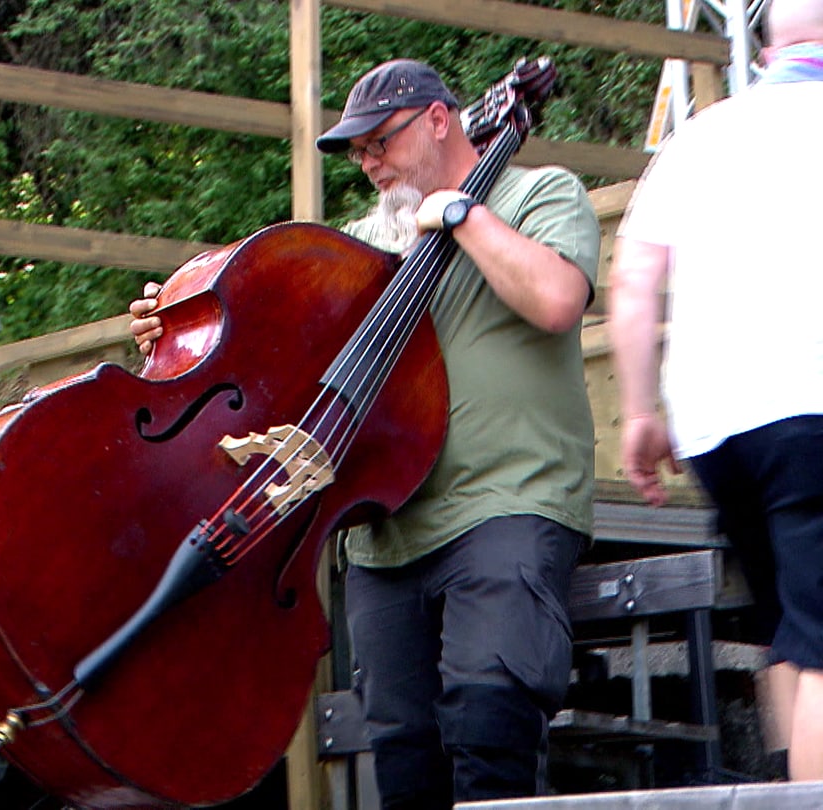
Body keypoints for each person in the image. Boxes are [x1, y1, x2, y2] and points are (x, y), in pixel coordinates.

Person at [129, 59, 600, 806]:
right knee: (400, 752)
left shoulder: (537, 193)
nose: (370, 164)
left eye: (382, 142)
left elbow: (555, 299)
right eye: (360, 152)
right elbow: (270, 357)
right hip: (383, 526)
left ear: (440, 120)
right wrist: (181, 328)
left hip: (507, 500)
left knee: (490, 720)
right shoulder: (356, 244)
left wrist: (462, 213)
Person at [608, 0, 823, 782]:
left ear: (766, 46)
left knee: (790, 628)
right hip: (812, 409)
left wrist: (638, 414)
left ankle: (782, 784)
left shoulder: (697, 138)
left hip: (717, 430)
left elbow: (633, 280)